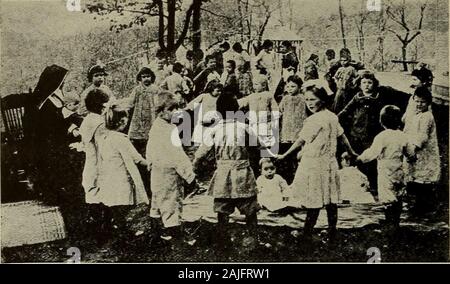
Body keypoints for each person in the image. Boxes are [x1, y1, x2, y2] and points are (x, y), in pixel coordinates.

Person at [277, 80, 357, 243]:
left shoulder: (315, 120)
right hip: (328, 163)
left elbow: (301, 140)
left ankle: (307, 232)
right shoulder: (332, 117)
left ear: (322, 99)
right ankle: (331, 231)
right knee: (330, 198)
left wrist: (285, 155)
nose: (310, 103)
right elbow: (341, 136)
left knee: (315, 198)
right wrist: (351, 152)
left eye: (313, 99)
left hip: (315, 164)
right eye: (307, 100)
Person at [193, 93, 264, 249]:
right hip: (242, 171)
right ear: (237, 110)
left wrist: (195, 168)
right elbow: (260, 146)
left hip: (223, 172)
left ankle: (222, 240)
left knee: (222, 209)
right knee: (250, 208)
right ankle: (253, 239)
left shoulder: (214, 130)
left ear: (218, 111)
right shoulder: (244, 128)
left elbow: (200, 153)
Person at [146, 91, 196, 241]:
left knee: (157, 198)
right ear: (161, 112)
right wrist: (189, 175)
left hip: (157, 170)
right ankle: (174, 232)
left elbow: (150, 147)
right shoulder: (169, 130)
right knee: (171, 200)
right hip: (168, 171)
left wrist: (150, 162)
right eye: (171, 109)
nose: (175, 112)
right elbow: (178, 156)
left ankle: (155, 227)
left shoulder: (156, 126)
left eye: (177, 108)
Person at [95, 104, 149, 241]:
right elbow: (137, 158)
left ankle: (111, 229)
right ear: (122, 122)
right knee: (121, 205)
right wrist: (150, 164)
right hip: (120, 178)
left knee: (112, 204)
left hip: (108, 175)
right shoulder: (121, 139)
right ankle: (123, 234)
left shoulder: (104, 138)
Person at [357, 105, 414, 232]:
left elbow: (373, 152)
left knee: (388, 196)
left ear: (381, 122)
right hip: (399, 168)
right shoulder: (403, 136)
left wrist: (361, 159)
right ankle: (396, 222)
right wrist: (411, 158)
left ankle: (390, 223)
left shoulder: (382, 136)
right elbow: (410, 152)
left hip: (386, 170)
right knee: (398, 194)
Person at [78, 88, 110, 242]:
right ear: (100, 106)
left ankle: (97, 230)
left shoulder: (87, 119)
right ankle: (102, 232)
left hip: (90, 161)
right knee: (101, 194)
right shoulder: (99, 123)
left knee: (93, 194)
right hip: (99, 162)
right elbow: (103, 145)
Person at [403, 86, 441, 215]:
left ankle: (425, 207)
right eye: (417, 101)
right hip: (414, 151)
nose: (419, 104)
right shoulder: (415, 114)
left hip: (423, 152)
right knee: (415, 178)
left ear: (428, 103)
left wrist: (413, 148)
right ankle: (417, 205)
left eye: (422, 102)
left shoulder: (426, 116)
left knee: (423, 180)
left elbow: (423, 136)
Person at [278, 75, 307, 183]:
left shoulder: (303, 99)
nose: (290, 89)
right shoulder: (285, 99)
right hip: (287, 131)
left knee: (298, 156)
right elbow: (280, 110)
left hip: (299, 130)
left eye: (293, 86)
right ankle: (288, 179)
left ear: (299, 87)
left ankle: (299, 179)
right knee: (287, 156)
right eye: (288, 86)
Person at [186, 80, 222, 145]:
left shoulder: (219, 98)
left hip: (214, 120)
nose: (219, 92)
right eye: (218, 91)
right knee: (199, 136)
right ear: (211, 89)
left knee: (210, 137)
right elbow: (193, 103)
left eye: (220, 91)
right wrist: (187, 108)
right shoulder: (204, 96)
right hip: (203, 119)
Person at [332, 48, 358, 113]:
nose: (343, 62)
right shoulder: (340, 69)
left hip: (348, 90)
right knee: (337, 102)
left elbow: (357, 76)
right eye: (341, 61)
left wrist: (353, 83)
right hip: (340, 89)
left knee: (346, 103)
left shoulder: (351, 69)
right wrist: (336, 81)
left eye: (345, 60)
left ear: (348, 60)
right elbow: (335, 77)